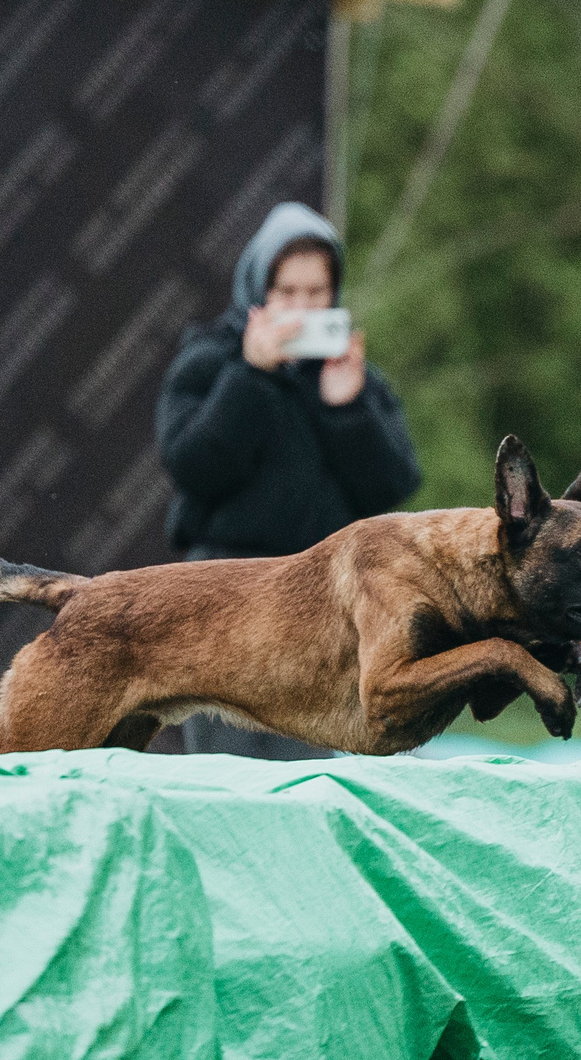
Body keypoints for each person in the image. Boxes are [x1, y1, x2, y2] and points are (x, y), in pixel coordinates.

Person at [156, 201, 422, 756]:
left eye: (316, 293)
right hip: (224, 600)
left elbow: (394, 489)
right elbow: (191, 468)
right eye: (287, 293)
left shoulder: (353, 378)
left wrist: (345, 411)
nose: (302, 308)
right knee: (229, 775)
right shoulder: (208, 360)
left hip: (324, 605)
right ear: (257, 290)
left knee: (313, 770)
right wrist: (251, 376)